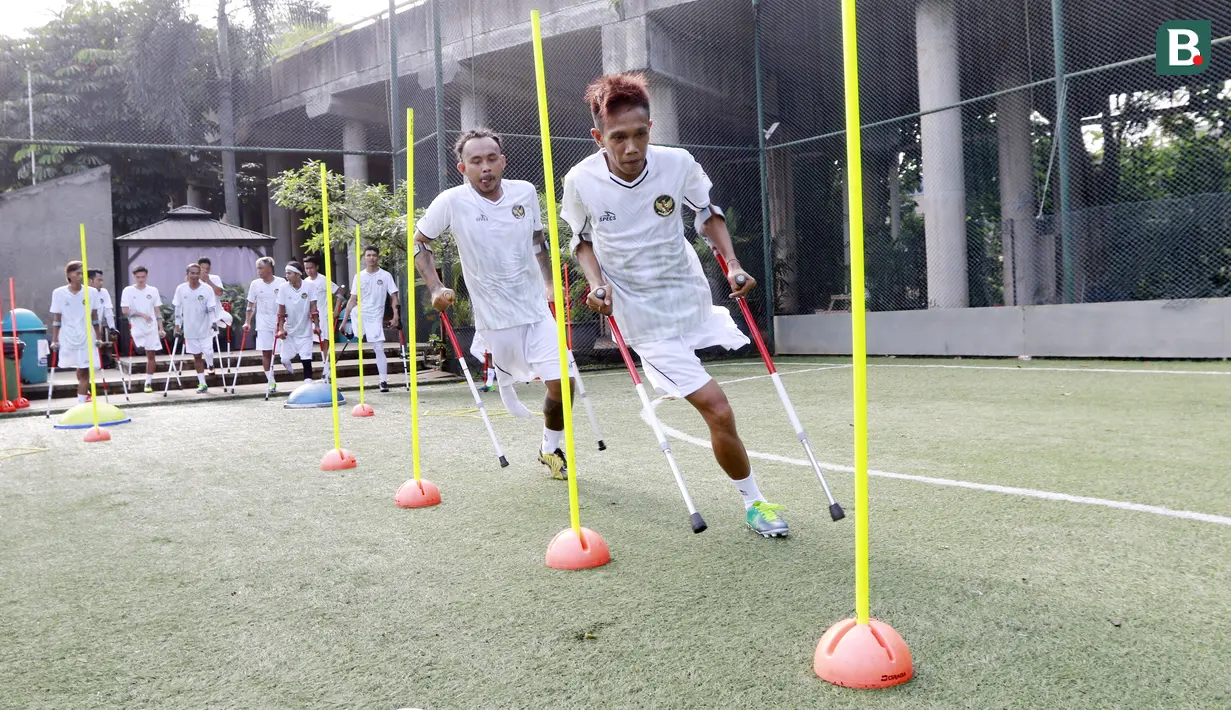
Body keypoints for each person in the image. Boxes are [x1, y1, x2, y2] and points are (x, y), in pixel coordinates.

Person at [561, 72, 787, 537]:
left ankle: (672, 380)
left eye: (640, 135)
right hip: (640, 313)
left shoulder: (678, 164)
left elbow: (707, 214)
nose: (631, 148)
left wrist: (732, 263)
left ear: (651, 129)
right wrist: (596, 284)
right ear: (597, 137)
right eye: (618, 138)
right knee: (718, 409)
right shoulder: (581, 180)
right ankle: (755, 503)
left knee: (710, 396)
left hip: (688, 293)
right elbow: (580, 240)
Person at [414, 128, 573, 479]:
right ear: (463, 167)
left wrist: (549, 284)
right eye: (476, 161)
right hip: (494, 318)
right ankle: (501, 373)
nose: (485, 168)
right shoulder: (451, 201)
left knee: (564, 382)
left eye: (491, 159)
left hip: (534, 309)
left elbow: (537, 239)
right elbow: (420, 243)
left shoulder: (525, 192)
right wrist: (435, 286)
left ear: (502, 161)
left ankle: (550, 448)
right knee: (511, 382)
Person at [340, 246, 399, 393]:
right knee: (354, 310)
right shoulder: (358, 277)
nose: (371, 258)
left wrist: (396, 315)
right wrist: (343, 322)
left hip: (375, 316)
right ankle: (355, 331)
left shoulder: (385, 276)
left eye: (374, 255)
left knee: (378, 348)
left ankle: (383, 381)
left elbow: (394, 297)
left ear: (377, 257)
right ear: (364, 258)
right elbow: (352, 299)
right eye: (368, 255)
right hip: (361, 312)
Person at [48, 261, 103, 404]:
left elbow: (95, 317)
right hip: (68, 337)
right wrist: (55, 340)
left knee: (85, 370)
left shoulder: (91, 292)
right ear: (69, 275)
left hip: (87, 336)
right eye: (77, 273)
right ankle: (84, 395)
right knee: (79, 368)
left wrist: (99, 336)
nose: (80, 276)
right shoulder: (58, 293)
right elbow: (57, 319)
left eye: (82, 274)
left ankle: (81, 402)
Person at [172, 263, 221, 393]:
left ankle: (211, 364)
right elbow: (178, 309)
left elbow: (211, 308)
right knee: (197, 356)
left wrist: (213, 322)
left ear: (200, 274)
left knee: (208, 352)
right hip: (190, 329)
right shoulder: (181, 289)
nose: (194, 276)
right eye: (192, 273)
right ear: (187, 274)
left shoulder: (207, 289)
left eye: (196, 273)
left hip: (205, 328)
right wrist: (177, 326)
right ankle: (202, 383)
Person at [242, 256, 286, 394]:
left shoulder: (281, 282)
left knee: (285, 354)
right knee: (266, 353)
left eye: (261, 268)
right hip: (263, 324)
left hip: (281, 323)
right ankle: (271, 381)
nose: (258, 271)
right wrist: (247, 322)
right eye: (257, 268)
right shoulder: (255, 284)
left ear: (269, 268)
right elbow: (250, 305)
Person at [120, 265, 166, 393]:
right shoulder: (128, 291)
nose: (141, 279)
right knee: (140, 349)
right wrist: (141, 314)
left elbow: (157, 311)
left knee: (151, 354)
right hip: (136, 327)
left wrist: (161, 328)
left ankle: (148, 383)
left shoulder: (153, 290)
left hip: (151, 327)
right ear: (134, 277)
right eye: (138, 277)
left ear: (147, 276)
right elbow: (125, 310)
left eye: (143, 277)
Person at [276, 261, 319, 382]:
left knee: (306, 358)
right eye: (286, 273)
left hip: (305, 329)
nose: (287, 276)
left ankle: (308, 382)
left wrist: (316, 325)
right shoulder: (283, 287)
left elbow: (313, 307)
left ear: (298, 274)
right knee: (284, 359)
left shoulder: (309, 286)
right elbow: (281, 309)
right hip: (289, 329)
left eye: (289, 273)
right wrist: (280, 329)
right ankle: (288, 365)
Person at [303, 253, 341, 380]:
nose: (309, 270)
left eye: (311, 268)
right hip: (310, 317)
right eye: (306, 268)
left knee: (325, 342)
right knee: (311, 342)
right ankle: (322, 369)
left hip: (323, 316)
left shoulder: (324, 280)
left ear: (317, 267)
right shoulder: (305, 282)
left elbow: (340, 294)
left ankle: (327, 370)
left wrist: (336, 311)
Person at [197, 257, 228, 376]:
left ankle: (210, 364)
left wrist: (208, 280)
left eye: (207, 269)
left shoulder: (214, 278)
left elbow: (219, 292)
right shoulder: (193, 280)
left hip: (213, 314)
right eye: (202, 268)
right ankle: (203, 366)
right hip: (197, 316)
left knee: (208, 341)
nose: (204, 271)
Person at [87, 269, 118, 368]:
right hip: (82, 329)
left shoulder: (104, 292)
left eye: (102, 280)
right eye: (98, 280)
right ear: (90, 280)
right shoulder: (83, 292)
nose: (101, 283)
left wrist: (112, 327)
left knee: (95, 357)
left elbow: (108, 311)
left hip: (96, 329)